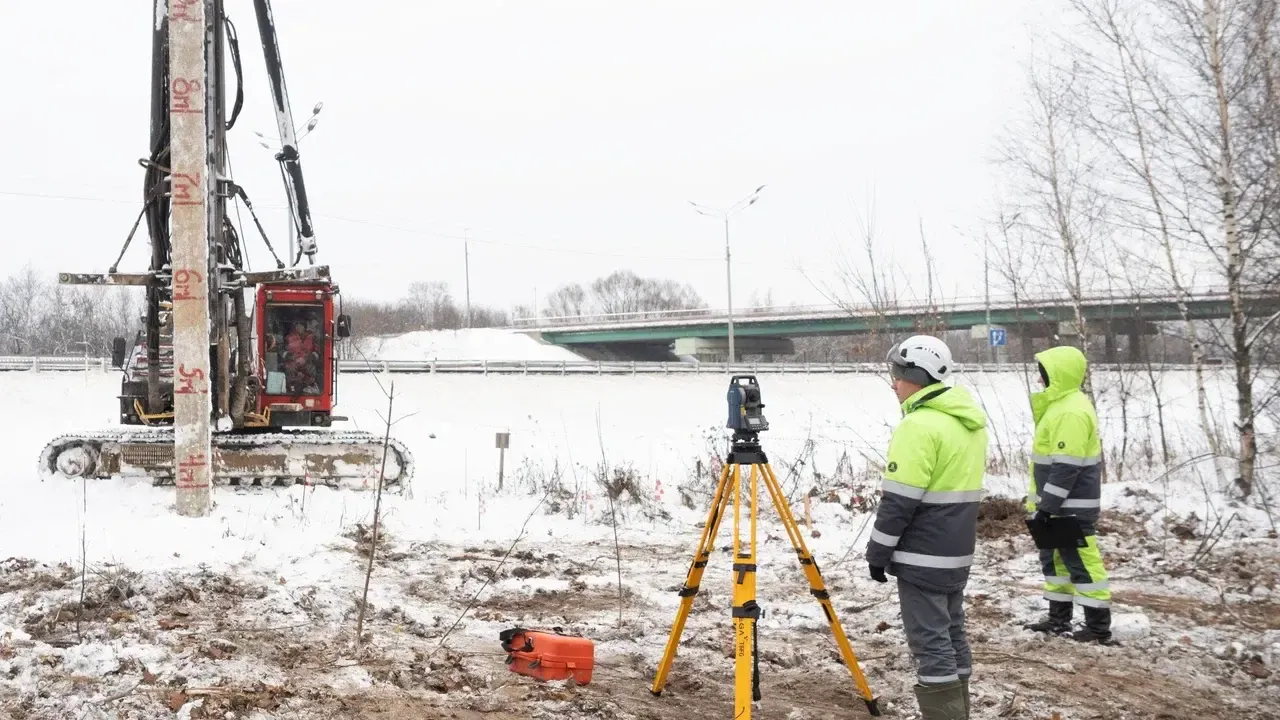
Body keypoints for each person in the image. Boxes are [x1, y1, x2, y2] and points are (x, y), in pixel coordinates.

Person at [866, 335, 988, 720]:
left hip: (923, 555)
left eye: (898, 376)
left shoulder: (918, 426)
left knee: (931, 644)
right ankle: (960, 711)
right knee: (952, 636)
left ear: (917, 376)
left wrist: (877, 552)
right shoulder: (966, 422)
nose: (893, 384)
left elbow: (899, 502)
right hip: (956, 553)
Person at [1022, 345, 1113, 644]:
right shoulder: (1061, 407)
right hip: (1057, 506)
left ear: (1057, 375)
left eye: (1043, 374)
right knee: (1056, 563)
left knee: (1081, 563)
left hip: (1068, 507)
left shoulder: (1071, 411)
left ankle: (1098, 628)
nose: (1039, 380)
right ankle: (1058, 619)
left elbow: (1066, 467)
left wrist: (1048, 506)